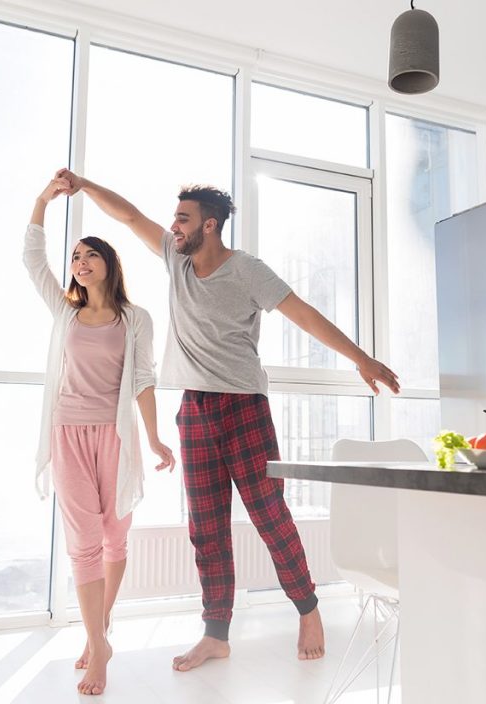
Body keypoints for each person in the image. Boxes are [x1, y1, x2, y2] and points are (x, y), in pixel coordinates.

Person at [56, 168, 400, 672]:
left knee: (269, 514)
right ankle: (216, 634)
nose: (173, 227)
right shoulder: (176, 260)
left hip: (242, 407)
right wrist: (84, 185)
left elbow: (302, 312)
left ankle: (308, 608)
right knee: (206, 527)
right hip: (194, 409)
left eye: (183, 219)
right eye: (174, 218)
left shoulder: (247, 271)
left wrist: (360, 358)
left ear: (210, 225)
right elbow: (129, 215)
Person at [25, 174, 176, 695]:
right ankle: (98, 649)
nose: (80, 262)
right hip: (67, 433)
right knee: (84, 544)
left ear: (110, 264)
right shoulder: (64, 312)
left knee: (116, 538)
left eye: (90, 255)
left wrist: (154, 439)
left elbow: (143, 380)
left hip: (117, 438)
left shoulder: (136, 320)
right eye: (75, 257)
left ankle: (100, 631)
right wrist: (43, 201)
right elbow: (31, 258)